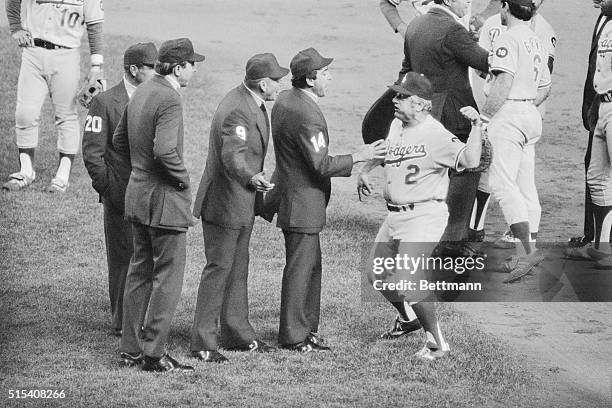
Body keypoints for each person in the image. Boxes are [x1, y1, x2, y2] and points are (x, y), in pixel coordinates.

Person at [266, 48, 386, 352]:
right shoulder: (307, 114)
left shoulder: (285, 100)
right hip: (302, 204)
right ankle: (293, 335)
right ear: (310, 79)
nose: (330, 77)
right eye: (325, 73)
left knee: (310, 267)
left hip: (294, 198)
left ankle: (306, 329)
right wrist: (360, 156)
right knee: (300, 270)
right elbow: (320, 165)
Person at [358, 72, 483, 360]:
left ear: (420, 105)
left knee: (409, 281)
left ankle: (437, 344)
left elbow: (471, 160)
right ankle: (408, 319)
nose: (395, 99)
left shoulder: (435, 134)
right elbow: (389, 150)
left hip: (423, 215)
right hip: (395, 216)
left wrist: (477, 126)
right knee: (376, 274)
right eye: (397, 94)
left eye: (402, 96)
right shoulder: (396, 125)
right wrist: (366, 170)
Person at [113, 38, 205, 373]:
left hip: (137, 196)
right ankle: (153, 353)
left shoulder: (141, 92)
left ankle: (130, 349)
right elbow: (165, 151)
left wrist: (140, 171)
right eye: (192, 64)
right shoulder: (169, 98)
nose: (194, 71)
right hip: (164, 200)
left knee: (139, 272)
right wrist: (182, 180)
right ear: (179, 68)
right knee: (168, 278)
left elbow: (119, 141)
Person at [190, 53, 289, 363]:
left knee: (237, 268)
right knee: (219, 270)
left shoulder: (248, 101)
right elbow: (232, 155)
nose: (280, 85)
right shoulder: (237, 110)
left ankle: (236, 333)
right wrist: (252, 177)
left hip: (239, 202)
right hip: (225, 204)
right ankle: (204, 342)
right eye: (276, 81)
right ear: (262, 84)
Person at [399, 0, 490, 258]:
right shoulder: (452, 30)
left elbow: (406, 71)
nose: (469, 4)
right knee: (470, 165)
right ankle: (452, 242)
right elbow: (484, 60)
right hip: (455, 112)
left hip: (423, 111)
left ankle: (422, 236)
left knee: (430, 177)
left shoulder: (416, 24)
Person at [81, 42, 157, 337]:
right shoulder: (104, 102)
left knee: (147, 259)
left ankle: (140, 318)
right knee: (124, 259)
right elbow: (92, 154)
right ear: (134, 70)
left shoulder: (154, 97)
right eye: (151, 67)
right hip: (120, 196)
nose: (156, 71)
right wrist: (111, 191)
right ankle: (122, 322)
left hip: (149, 195)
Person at [467, 0, 556, 248]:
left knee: (502, 185)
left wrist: (485, 119)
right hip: (530, 114)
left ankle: (525, 251)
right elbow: (545, 87)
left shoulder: (508, 37)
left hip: (509, 115)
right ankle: (531, 245)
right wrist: (526, 104)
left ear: (506, 7)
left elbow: (503, 82)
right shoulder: (535, 38)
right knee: (525, 185)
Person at [3, 0, 105, 193]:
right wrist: (16, 27)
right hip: (32, 53)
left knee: (66, 115)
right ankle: (26, 170)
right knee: (24, 113)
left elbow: (95, 26)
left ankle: (63, 175)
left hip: (66, 55)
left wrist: (96, 68)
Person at [569, 0, 612, 269]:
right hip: (602, 105)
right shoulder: (606, 21)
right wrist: (592, 104)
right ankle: (601, 246)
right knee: (597, 177)